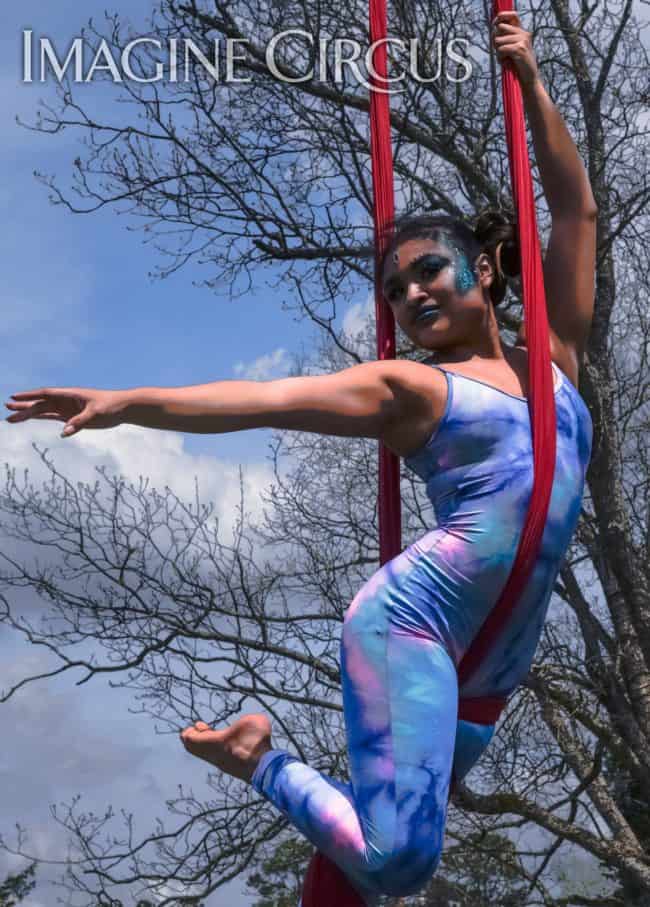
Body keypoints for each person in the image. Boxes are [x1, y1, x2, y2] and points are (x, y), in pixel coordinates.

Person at [4, 10, 596, 905]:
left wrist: (534, 85)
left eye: (431, 269)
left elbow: (576, 206)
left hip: (488, 665)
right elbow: (262, 401)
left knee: (361, 865)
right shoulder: (412, 390)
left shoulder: (555, 362)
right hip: (414, 630)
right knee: (401, 861)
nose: (411, 292)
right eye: (396, 288)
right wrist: (123, 401)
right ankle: (258, 756)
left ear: (488, 271)